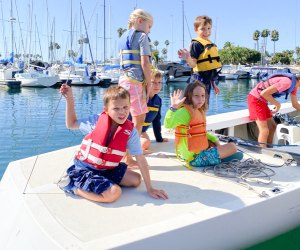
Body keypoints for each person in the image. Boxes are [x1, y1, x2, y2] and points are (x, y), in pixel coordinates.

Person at [58, 84, 168, 203]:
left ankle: (101, 180)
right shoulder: (96, 121)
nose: (122, 112)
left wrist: (150, 188)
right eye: (116, 108)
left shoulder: (130, 132)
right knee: (114, 193)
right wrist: (69, 99)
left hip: (107, 169)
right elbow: (71, 124)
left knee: (136, 180)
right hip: (85, 168)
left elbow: (140, 159)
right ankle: (72, 186)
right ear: (106, 109)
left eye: (125, 107)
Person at [164, 81, 237, 168]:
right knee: (233, 147)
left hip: (195, 154)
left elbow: (201, 132)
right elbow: (167, 124)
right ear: (189, 97)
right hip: (194, 158)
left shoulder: (198, 110)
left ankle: (216, 157)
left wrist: (215, 141)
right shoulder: (185, 112)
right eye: (196, 96)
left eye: (203, 96)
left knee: (229, 149)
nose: (201, 99)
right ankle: (216, 158)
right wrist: (173, 107)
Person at [118, 9, 153, 135]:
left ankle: (125, 149)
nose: (149, 30)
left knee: (126, 117)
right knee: (139, 117)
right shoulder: (142, 36)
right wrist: (149, 83)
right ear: (140, 21)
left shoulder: (123, 37)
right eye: (149, 26)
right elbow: (145, 63)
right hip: (134, 83)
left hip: (123, 81)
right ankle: (133, 150)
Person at [247, 73, 300, 147]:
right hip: (256, 99)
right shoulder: (287, 82)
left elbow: (295, 104)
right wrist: (277, 104)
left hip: (263, 101)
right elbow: (264, 93)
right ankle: (263, 151)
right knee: (264, 131)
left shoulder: (294, 86)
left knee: (272, 127)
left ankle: (269, 148)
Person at [178, 15, 221, 103]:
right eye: (203, 29)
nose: (207, 32)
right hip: (197, 81)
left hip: (207, 82)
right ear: (196, 30)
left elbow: (210, 69)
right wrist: (187, 58)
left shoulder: (209, 44)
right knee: (196, 105)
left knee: (204, 105)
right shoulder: (196, 44)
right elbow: (193, 64)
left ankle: (202, 117)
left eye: (209, 28)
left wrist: (214, 85)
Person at [129, 69, 168, 153]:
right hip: (130, 130)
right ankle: (132, 150)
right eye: (153, 82)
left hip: (142, 131)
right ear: (146, 83)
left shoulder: (158, 101)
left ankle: (135, 150)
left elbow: (157, 120)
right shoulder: (139, 98)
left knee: (145, 143)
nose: (157, 85)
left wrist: (159, 139)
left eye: (159, 82)